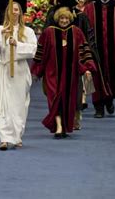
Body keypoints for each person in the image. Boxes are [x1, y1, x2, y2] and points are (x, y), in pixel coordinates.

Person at [32, 7, 96, 138]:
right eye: (62, 18)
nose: (64, 20)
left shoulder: (76, 32)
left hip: (70, 75)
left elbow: (83, 52)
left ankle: (64, 126)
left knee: (67, 101)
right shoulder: (48, 32)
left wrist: (87, 68)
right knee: (55, 99)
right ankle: (59, 126)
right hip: (52, 74)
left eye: (66, 18)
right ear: (57, 19)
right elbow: (41, 53)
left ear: (70, 19)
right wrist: (37, 71)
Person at [0, 2, 37, 150]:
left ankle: (17, 135)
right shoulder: (2, 29)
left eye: (17, 10)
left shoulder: (27, 31)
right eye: (12, 10)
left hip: (20, 70)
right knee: (2, 104)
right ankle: (5, 138)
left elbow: (33, 50)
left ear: (20, 13)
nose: (14, 12)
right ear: (7, 12)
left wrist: (17, 44)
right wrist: (2, 35)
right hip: (4, 69)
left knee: (19, 105)